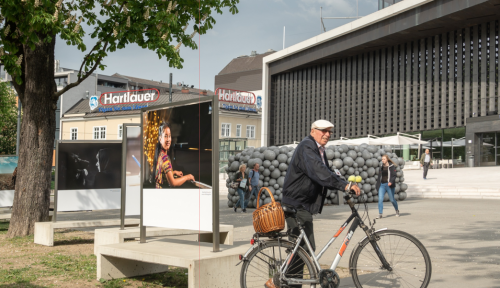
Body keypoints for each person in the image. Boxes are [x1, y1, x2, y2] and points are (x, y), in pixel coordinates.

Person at [281, 120, 361, 288]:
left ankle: (291, 282)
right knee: (304, 248)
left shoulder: (317, 149)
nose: (327, 134)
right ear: (313, 131)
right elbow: (319, 172)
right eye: (323, 131)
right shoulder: (307, 147)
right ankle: (288, 283)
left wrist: (344, 184)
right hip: (296, 204)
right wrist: (345, 186)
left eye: (330, 131)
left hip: (302, 203)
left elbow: (328, 172)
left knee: (302, 248)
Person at [153, 121, 194, 188]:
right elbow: (173, 183)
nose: (168, 139)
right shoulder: (165, 158)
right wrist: (187, 177)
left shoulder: (160, 154)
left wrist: (173, 172)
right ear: (160, 139)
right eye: (165, 136)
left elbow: (162, 175)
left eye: (169, 136)